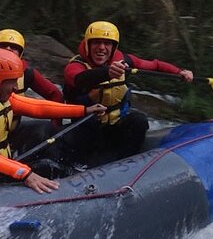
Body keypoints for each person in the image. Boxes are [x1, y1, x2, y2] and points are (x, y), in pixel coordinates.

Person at [0, 48, 106, 194]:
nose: (16, 87)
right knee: (47, 168)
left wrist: (84, 110)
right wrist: (24, 173)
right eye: (12, 81)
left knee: (44, 138)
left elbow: (37, 107)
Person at [63, 20, 194, 164]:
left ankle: (126, 163)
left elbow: (155, 65)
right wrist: (107, 73)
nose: (101, 48)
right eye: (96, 43)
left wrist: (179, 72)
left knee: (139, 120)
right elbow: (79, 80)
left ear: (114, 47)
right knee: (90, 133)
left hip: (115, 124)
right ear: (88, 45)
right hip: (85, 128)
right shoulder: (76, 65)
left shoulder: (124, 60)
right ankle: (88, 165)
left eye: (107, 43)